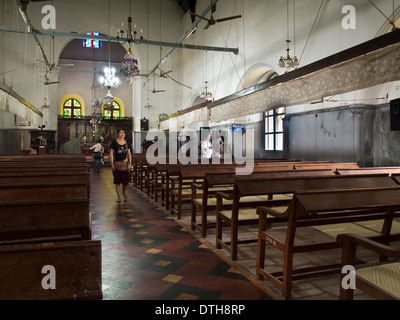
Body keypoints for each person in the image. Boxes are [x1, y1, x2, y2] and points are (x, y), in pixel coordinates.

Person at [109, 129, 132, 203]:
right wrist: (112, 164)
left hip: (125, 164)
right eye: (121, 132)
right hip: (117, 164)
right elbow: (111, 153)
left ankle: (123, 192)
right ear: (118, 134)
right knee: (117, 182)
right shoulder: (114, 143)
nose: (123, 134)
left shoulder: (127, 142)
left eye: (123, 132)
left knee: (125, 182)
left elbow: (129, 154)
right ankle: (119, 197)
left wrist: (130, 163)